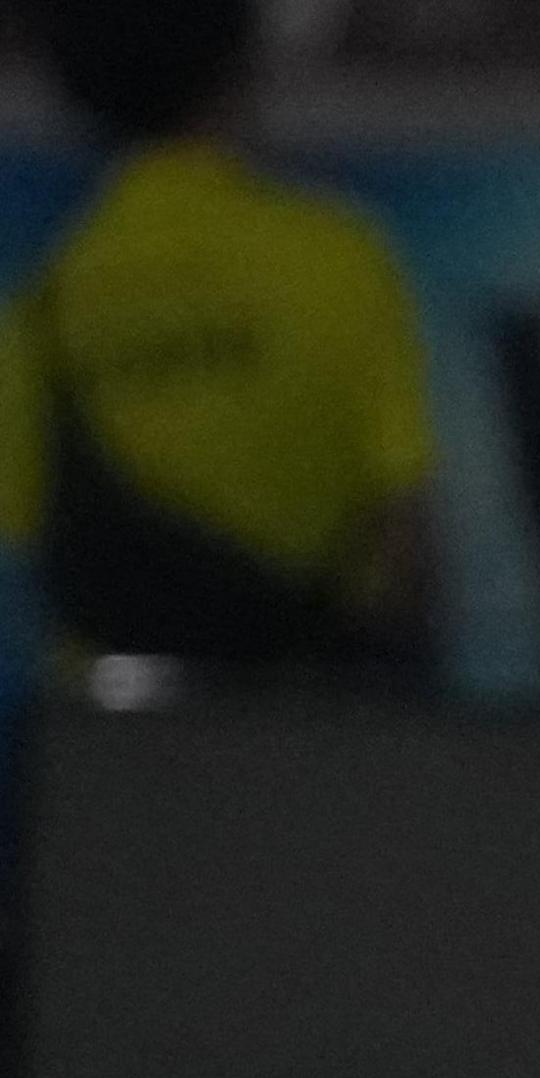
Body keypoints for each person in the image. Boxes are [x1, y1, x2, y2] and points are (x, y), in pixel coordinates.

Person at [0, 0, 439, 680]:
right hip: (306, 728)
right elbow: (406, 543)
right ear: (240, 67)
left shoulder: (43, 307)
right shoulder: (340, 256)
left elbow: (25, 545)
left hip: (116, 743)